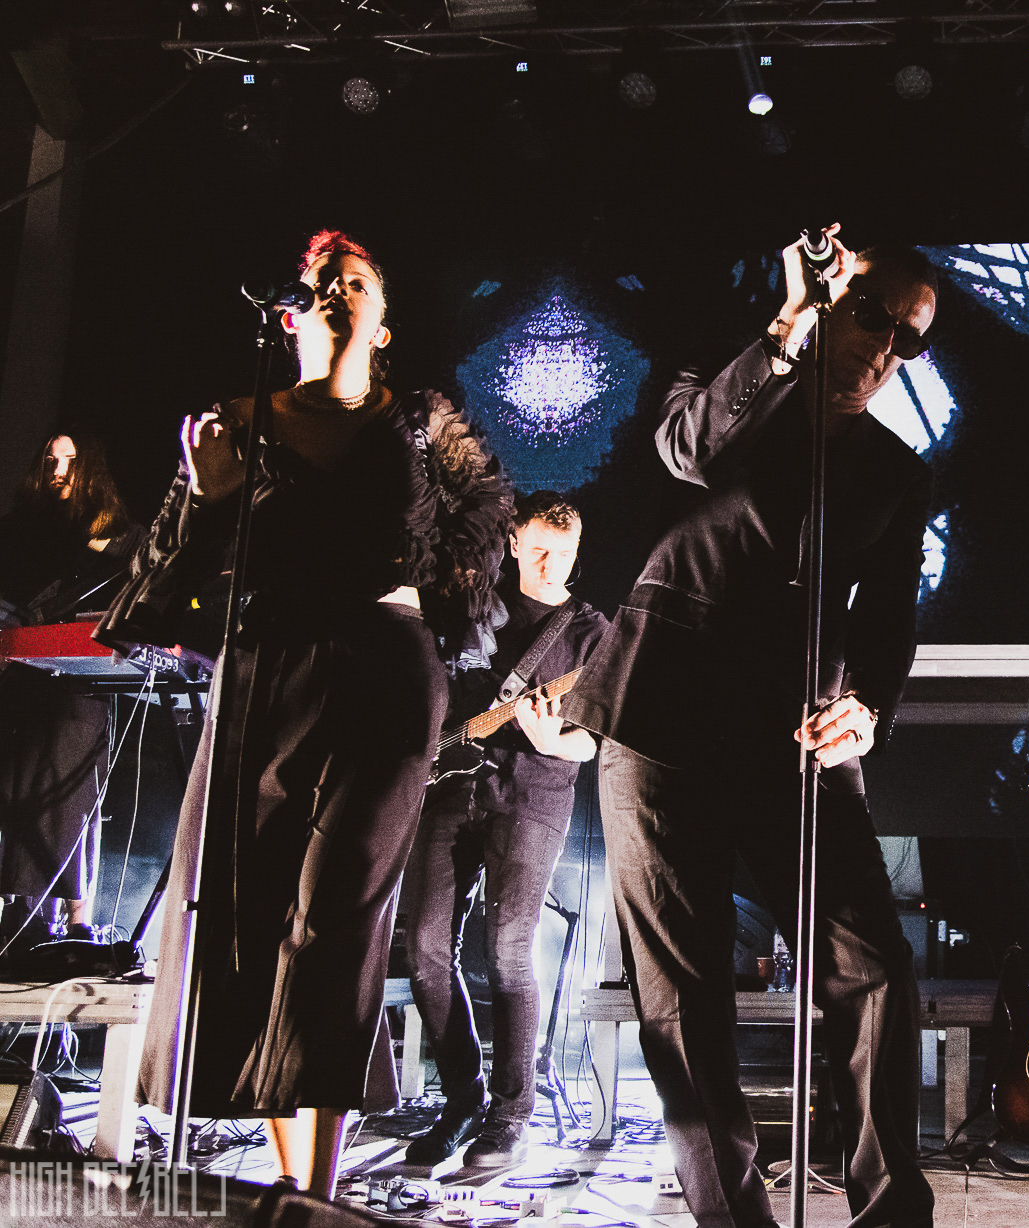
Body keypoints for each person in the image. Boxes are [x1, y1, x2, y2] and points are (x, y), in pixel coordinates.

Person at [103, 230, 512, 1198]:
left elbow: (487, 522)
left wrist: (428, 597)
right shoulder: (236, 420)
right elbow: (163, 581)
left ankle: (317, 1197)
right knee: (252, 915)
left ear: (383, 320)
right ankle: (299, 1191)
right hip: (267, 669)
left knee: (336, 919)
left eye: (356, 281)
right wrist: (210, 500)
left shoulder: (420, 421)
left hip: (385, 671)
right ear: (290, 314)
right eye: (322, 280)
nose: (336, 289)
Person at [562, 229, 937, 1228]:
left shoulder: (896, 472)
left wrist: (870, 706)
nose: (882, 347)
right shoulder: (732, 381)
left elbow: (889, 620)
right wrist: (787, 326)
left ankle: (893, 1212)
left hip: (793, 734)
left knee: (873, 965)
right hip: (660, 715)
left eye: (907, 338)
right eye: (872, 314)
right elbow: (688, 452)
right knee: (681, 994)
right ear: (831, 293)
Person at [402, 490, 608, 1168]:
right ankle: (462, 1099)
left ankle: (510, 1116)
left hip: (534, 794)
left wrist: (555, 741)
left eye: (564, 555)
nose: (551, 566)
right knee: (426, 950)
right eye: (539, 551)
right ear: (514, 543)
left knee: (511, 952)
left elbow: (597, 739)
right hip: (449, 789)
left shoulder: (591, 633)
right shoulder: (472, 607)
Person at [0, 432, 147, 947]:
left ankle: (75, 925)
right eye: (49, 460)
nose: (58, 470)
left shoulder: (120, 535)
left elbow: (143, 571)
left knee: (73, 798)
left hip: (81, 682)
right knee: (18, 789)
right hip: (21, 678)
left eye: (70, 460)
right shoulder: (20, 531)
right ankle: (21, 916)